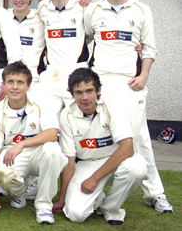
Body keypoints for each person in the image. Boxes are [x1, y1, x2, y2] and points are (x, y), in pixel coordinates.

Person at [84, 0, 173, 213]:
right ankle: (97, 189)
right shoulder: (93, 10)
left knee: (138, 139)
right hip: (100, 83)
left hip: (130, 83)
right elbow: (85, 40)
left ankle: (155, 194)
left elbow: (149, 48)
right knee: (100, 136)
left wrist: (144, 75)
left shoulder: (142, 10)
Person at [54, 68, 148, 225]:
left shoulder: (111, 104)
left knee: (137, 168)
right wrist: (62, 199)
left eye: (89, 91)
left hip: (117, 159)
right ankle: (96, 199)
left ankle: (111, 208)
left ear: (98, 90)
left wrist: (94, 179)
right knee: (76, 214)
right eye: (79, 92)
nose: (85, 97)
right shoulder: (67, 114)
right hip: (87, 163)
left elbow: (127, 148)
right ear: (72, 94)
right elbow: (70, 160)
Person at [0, 61, 67, 224]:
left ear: (28, 86)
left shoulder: (41, 103)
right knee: (3, 175)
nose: (15, 87)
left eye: (20, 82)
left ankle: (44, 205)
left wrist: (21, 144)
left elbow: (52, 134)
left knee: (53, 151)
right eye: (10, 82)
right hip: (12, 155)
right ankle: (19, 194)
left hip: (38, 152)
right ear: (4, 85)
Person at [36, 0, 90, 115]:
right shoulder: (42, 7)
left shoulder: (82, 7)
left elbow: (93, 34)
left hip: (77, 70)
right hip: (53, 72)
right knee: (47, 117)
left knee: (76, 118)